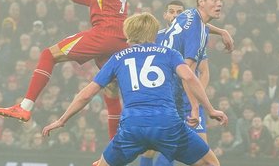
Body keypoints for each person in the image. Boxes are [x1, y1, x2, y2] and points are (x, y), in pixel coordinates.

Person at [41, 12, 228, 166]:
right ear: (154, 34)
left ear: (129, 33)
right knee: (211, 163)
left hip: (132, 127)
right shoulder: (169, 54)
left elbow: (86, 94)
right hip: (167, 124)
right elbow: (189, 76)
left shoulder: (118, 57)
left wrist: (62, 120)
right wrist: (210, 109)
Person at [0, 0, 127, 139]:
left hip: (104, 34)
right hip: (120, 38)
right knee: (111, 91)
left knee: (48, 54)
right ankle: (115, 147)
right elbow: (104, 3)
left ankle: (25, 106)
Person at [141, 0, 233, 166]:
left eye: (179, 12)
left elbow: (204, 72)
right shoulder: (157, 37)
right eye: (171, 11)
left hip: (189, 102)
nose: (175, 15)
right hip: (166, 101)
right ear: (165, 15)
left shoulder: (195, 37)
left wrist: (197, 97)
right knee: (153, 148)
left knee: (204, 156)